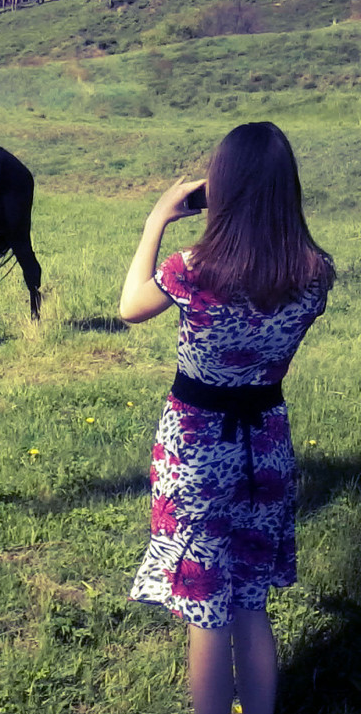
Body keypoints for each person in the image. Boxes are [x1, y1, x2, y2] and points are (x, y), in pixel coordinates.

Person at [119, 122, 334, 714]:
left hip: (195, 447)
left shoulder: (194, 268)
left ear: (224, 188)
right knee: (249, 601)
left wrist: (156, 220)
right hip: (265, 444)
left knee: (204, 602)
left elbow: (129, 307)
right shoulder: (315, 273)